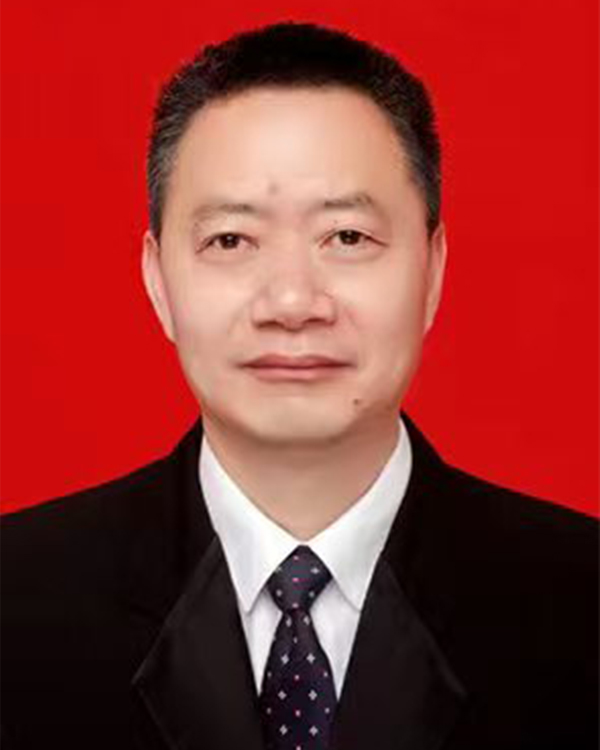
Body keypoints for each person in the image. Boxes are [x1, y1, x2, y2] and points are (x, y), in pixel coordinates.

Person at [1, 21, 597, 750]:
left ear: (433, 269)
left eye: (347, 237)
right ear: (157, 281)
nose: (291, 302)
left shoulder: (580, 601)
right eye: (231, 240)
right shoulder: (18, 600)